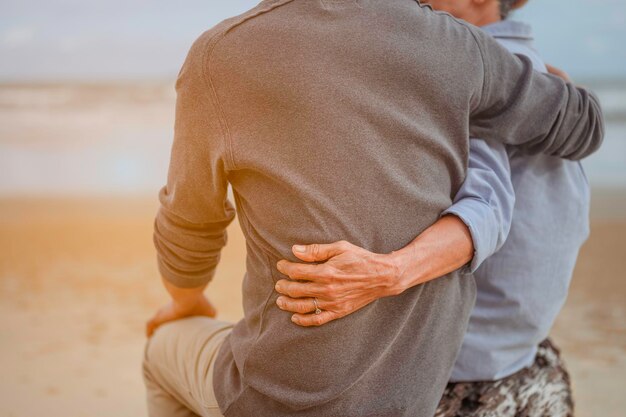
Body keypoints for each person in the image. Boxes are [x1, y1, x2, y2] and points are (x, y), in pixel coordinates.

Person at [141, 1, 604, 416]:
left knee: (160, 353)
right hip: (411, 395)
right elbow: (583, 126)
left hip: (277, 395)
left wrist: (186, 300)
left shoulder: (221, 53)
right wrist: (545, 86)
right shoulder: (453, 46)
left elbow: (190, 224)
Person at [274, 0, 593, 416]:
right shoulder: (536, 79)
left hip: (461, 356)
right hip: (516, 341)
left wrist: (388, 273)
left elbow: (487, 207)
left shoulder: (469, 76)